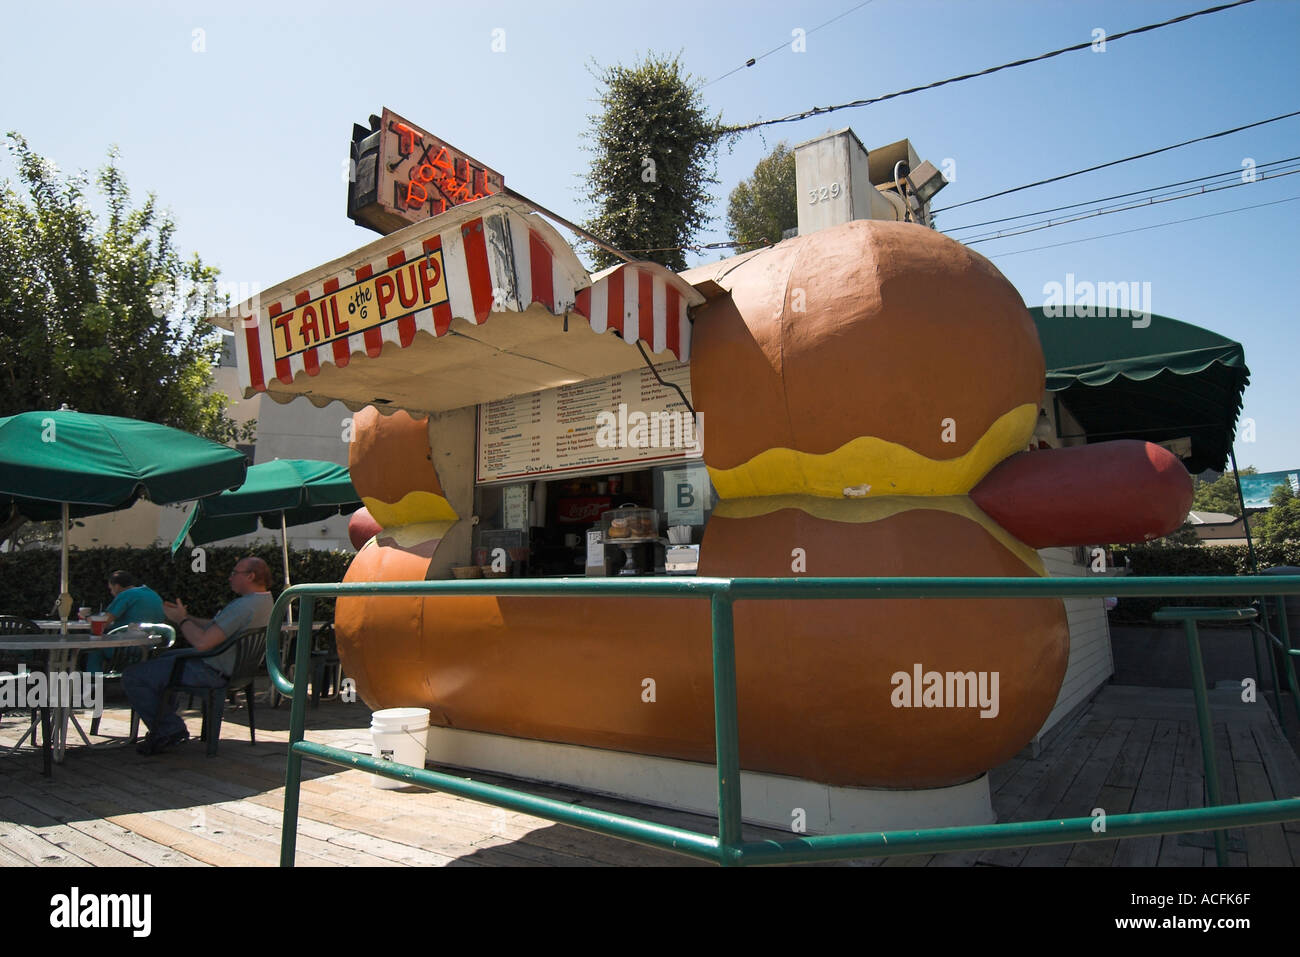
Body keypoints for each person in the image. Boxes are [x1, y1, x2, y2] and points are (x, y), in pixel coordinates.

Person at [122, 557, 274, 755]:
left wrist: (182, 621)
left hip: (213, 670)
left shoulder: (244, 606)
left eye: (234, 573)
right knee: (162, 661)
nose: (230, 578)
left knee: (134, 675)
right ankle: (166, 724)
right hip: (234, 669)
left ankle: (169, 729)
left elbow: (202, 643)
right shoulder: (265, 601)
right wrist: (185, 616)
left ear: (250, 576)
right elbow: (216, 626)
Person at [86, 570, 166, 674]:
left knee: (95, 649)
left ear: (117, 586)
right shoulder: (152, 593)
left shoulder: (126, 595)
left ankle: (93, 684)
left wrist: (86, 617)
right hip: (151, 647)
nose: (111, 592)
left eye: (111, 589)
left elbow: (103, 622)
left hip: (129, 648)